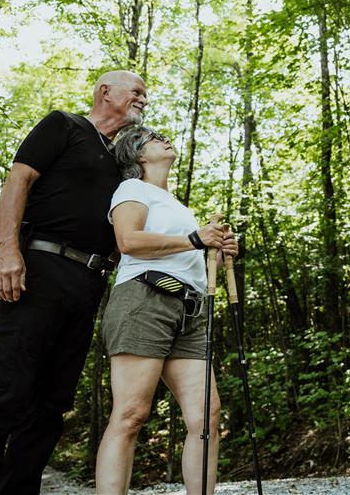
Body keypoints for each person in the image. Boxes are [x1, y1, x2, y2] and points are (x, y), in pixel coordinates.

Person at [0, 70, 148, 495]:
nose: (144, 99)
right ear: (105, 92)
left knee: (52, 405)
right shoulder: (63, 125)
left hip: (90, 282)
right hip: (39, 269)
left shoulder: (123, 162)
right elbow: (19, 179)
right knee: (7, 390)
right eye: (138, 91)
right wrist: (8, 251)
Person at [95, 125, 237, 495]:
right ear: (138, 154)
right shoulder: (132, 190)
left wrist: (217, 254)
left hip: (189, 310)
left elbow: (186, 256)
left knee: (206, 417)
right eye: (154, 138)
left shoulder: (179, 206)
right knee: (131, 415)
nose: (165, 139)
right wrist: (195, 239)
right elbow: (128, 241)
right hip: (144, 300)